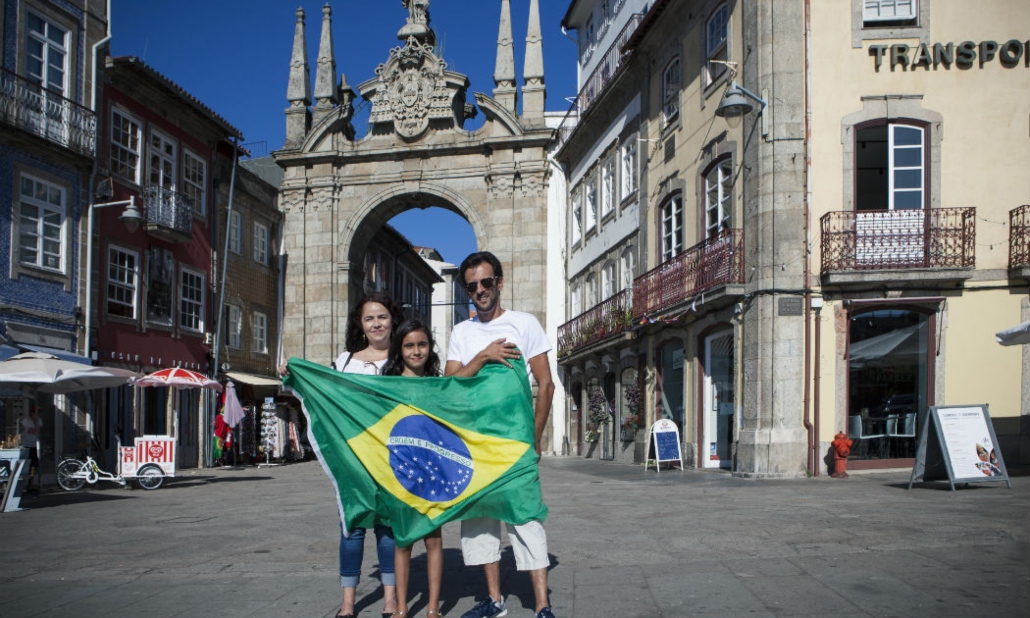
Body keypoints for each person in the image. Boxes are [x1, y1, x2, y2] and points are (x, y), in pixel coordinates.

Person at [445, 252, 556, 618]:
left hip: (514, 445)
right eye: (472, 286)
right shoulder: (461, 332)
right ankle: (494, 601)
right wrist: (482, 357)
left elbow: (546, 385)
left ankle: (542, 605)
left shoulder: (524, 324)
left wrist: (535, 437)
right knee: (480, 522)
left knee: (526, 520)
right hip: (474, 447)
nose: (480, 290)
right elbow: (449, 387)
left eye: (486, 282)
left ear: (500, 283)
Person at [280, 291, 405, 618]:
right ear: (360, 325)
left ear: (392, 320)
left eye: (382, 317)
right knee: (351, 526)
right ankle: (348, 601)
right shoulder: (345, 361)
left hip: (392, 456)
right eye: (369, 318)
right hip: (354, 457)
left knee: (388, 528)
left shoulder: (403, 358)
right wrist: (293, 374)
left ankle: (390, 599)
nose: (376, 324)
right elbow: (323, 393)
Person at [381, 319, 444, 618]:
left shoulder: (438, 385)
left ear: (430, 348)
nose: (416, 351)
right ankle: (402, 607)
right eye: (409, 346)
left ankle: (433, 607)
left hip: (433, 471)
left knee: (434, 539)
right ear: (399, 349)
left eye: (422, 345)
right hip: (401, 471)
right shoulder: (388, 385)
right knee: (403, 540)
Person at [21, 406, 42, 492]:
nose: (38, 414)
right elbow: (21, 430)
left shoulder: (39, 421)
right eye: (36, 412)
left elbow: (40, 430)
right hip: (26, 445)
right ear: (32, 413)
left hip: (34, 445)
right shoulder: (26, 421)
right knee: (24, 465)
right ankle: (21, 484)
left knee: (33, 466)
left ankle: (30, 485)